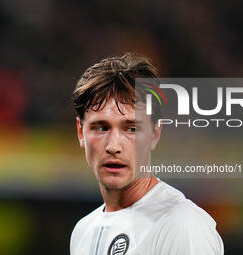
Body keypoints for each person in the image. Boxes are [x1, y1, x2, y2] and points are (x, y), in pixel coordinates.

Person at [70, 53, 224, 255]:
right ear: (81, 132)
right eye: (101, 128)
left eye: (132, 129)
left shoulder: (182, 226)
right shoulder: (83, 231)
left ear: (154, 133)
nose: (114, 146)